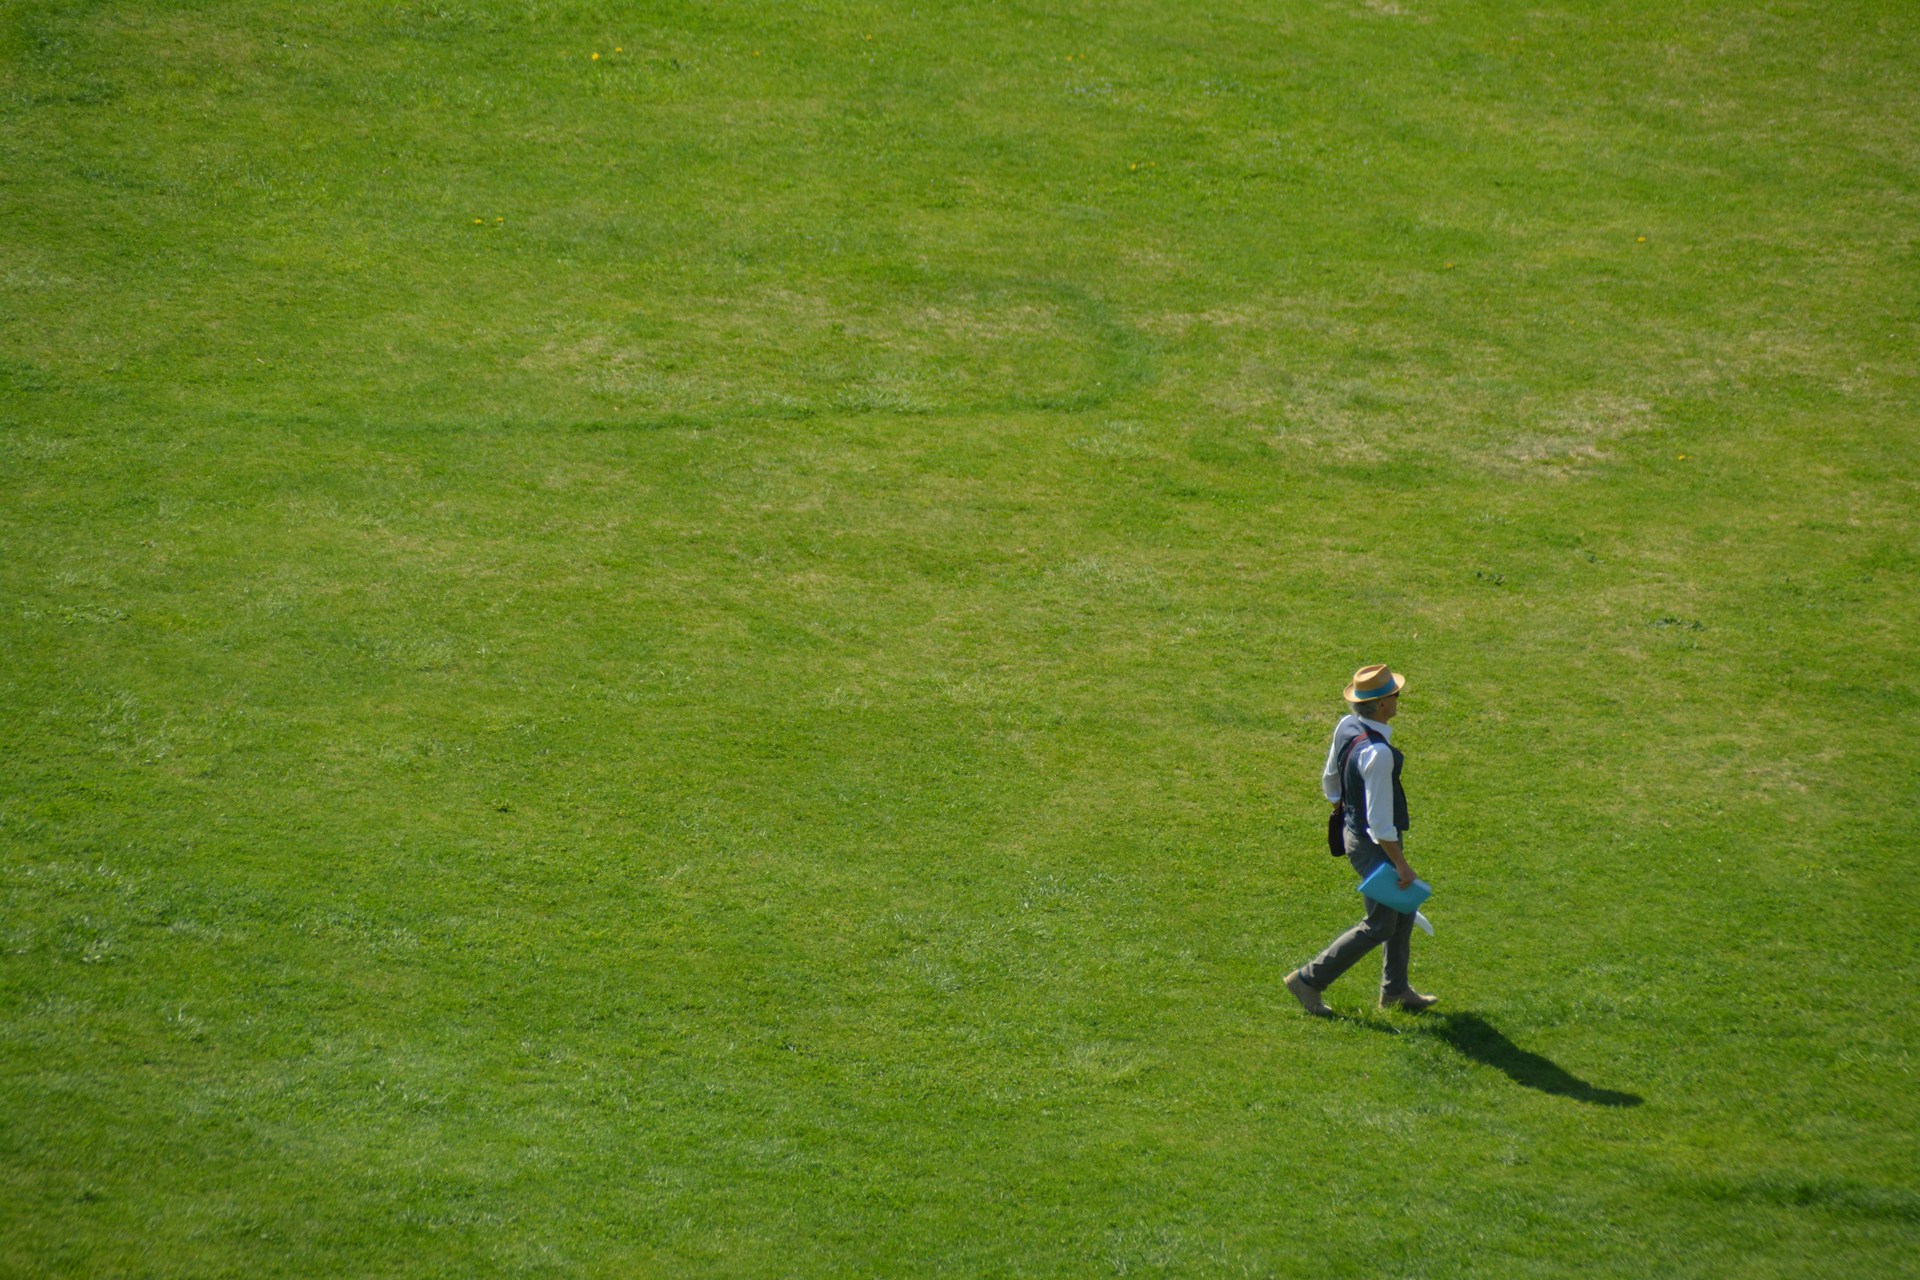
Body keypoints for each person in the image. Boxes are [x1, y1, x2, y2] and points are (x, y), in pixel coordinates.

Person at [1284, 664, 1439, 1016]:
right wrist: (1400, 864)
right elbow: (1382, 824)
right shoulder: (1379, 754)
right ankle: (1308, 981)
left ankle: (1396, 990)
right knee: (1381, 923)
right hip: (1375, 843)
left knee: (1402, 906)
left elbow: (1330, 782)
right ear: (1383, 704)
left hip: (1352, 831)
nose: (1399, 699)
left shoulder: (1346, 726)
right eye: (1395, 695)